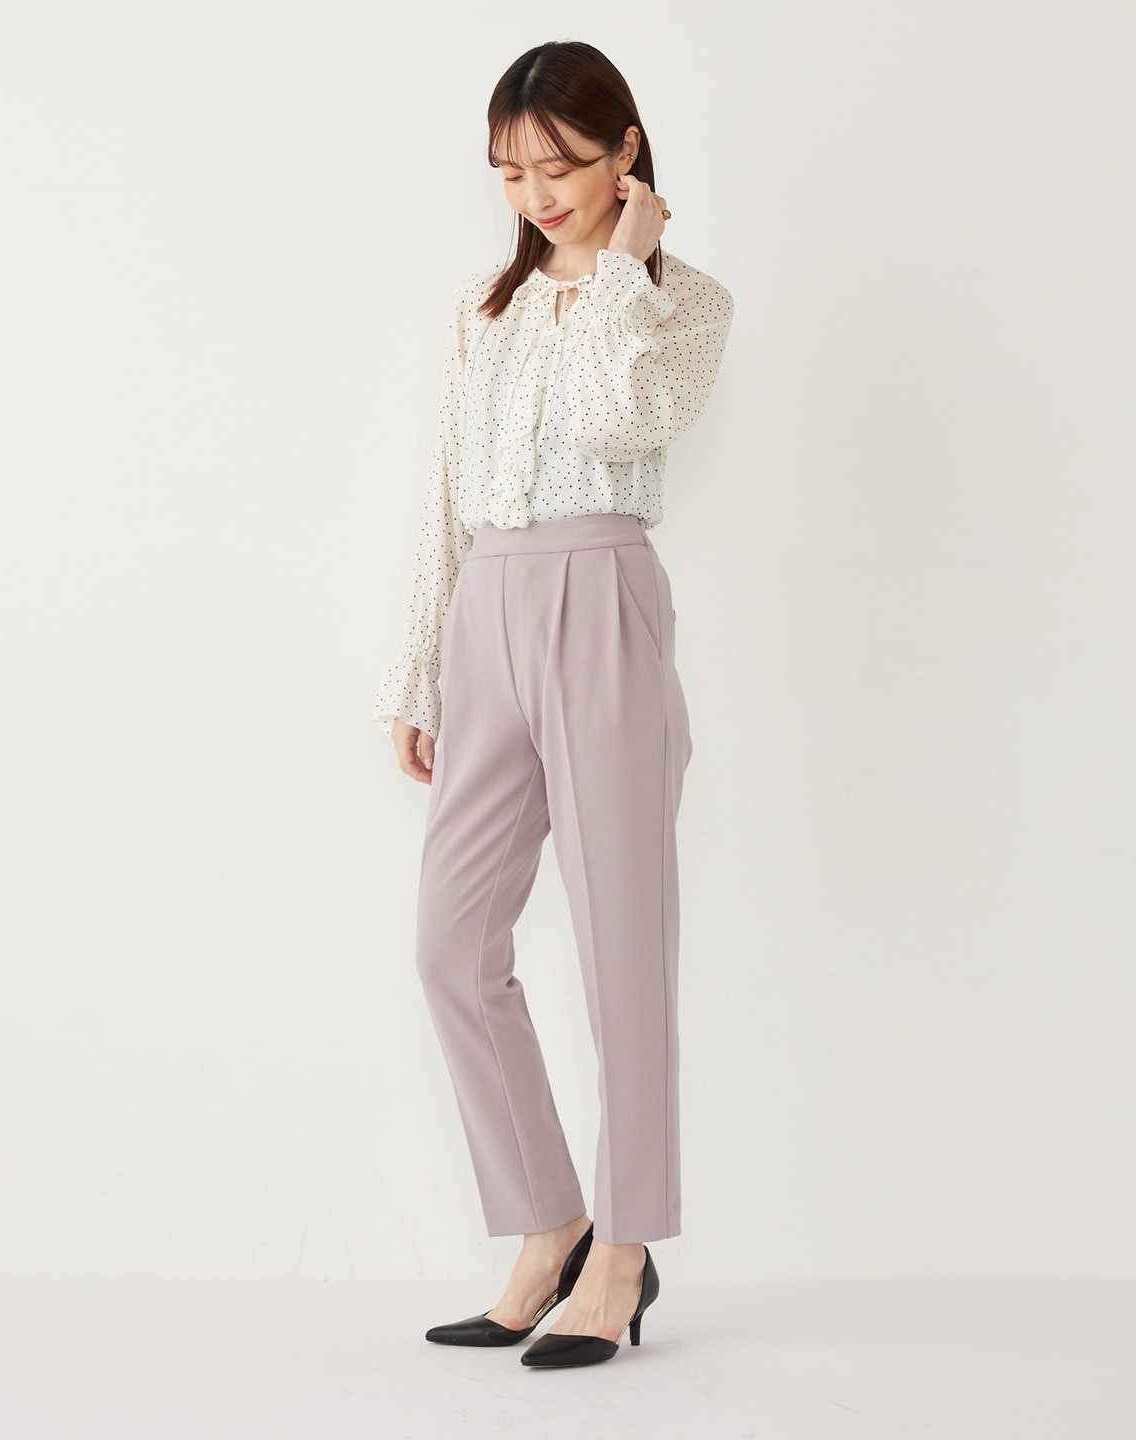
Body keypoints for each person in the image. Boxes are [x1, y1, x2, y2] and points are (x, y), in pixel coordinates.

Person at [371, 40, 734, 1368]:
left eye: (562, 164)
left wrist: (623, 266)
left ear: (625, 151)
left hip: (602, 600)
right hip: (490, 608)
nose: (536, 194)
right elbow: (444, 491)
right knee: (450, 945)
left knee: (621, 944)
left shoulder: (685, 304)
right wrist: (419, 666)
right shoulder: (485, 308)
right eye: (511, 171)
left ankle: (624, 1253)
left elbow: (616, 420)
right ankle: (551, 1222)